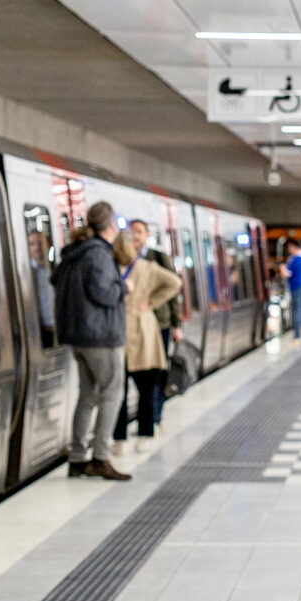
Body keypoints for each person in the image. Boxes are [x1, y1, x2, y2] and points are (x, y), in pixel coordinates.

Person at [52, 201, 132, 480]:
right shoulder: (98, 254)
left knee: (87, 395)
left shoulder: (75, 253)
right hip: (101, 336)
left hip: (79, 337)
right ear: (111, 225)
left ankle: (77, 459)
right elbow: (103, 293)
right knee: (112, 393)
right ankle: (100, 457)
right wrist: (124, 287)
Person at [113, 232, 182, 454]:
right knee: (146, 387)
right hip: (143, 332)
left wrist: (151, 301)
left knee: (119, 390)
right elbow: (175, 282)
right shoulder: (146, 267)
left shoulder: (113, 269)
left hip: (119, 331)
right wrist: (151, 303)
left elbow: (174, 283)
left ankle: (119, 439)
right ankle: (145, 433)